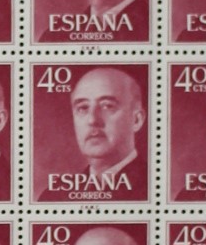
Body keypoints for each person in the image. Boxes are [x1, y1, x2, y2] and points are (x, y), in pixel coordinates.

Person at [58, 68, 144, 200]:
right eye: (83, 108)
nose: (92, 120)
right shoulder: (54, 196)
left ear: (136, 120)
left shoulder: (152, 187)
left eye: (107, 106)